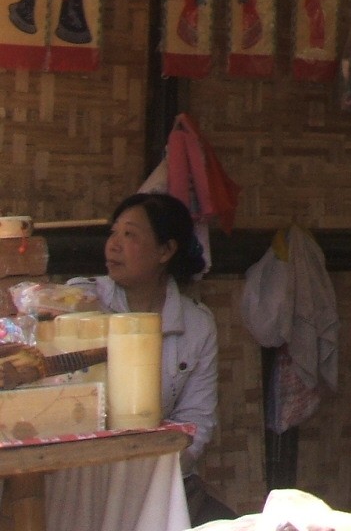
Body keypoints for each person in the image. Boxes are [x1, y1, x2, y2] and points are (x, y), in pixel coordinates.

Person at [74, 192, 233, 524]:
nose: (113, 245)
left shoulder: (196, 324)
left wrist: (156, 475)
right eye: (113, 233)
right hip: (86, 477)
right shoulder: (82, 301)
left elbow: (197, 418)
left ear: (165, 250)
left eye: (129, 235)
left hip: (161, 478)